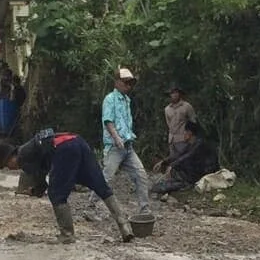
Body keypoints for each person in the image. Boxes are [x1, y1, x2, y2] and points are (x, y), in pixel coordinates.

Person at [0, 133, 134, 244]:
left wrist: (35, 191)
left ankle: (67, 235)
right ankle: (125, 227)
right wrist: (36, 191)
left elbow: (42, 182)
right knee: (100, 185)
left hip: (63, 149)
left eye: (7, 164)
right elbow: (42, 180)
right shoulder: (29, 149)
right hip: (78, 141)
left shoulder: (23, 156)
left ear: (11, 157)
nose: (10, 168)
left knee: (56, 194)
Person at [91, 67, 150, 214]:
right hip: (115, 146)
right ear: (117, 82)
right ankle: (91, 207)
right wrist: (116, 138)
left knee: (140, 174)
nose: (128, 86)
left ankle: (144, 209)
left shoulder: (126, 100)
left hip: (128, 146)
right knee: (106, 178)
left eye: (130, 83)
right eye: (126, 82)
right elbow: (108, 120)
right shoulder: (110, 99)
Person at [150, 121, 219, 195]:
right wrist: (163, 162)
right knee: (176, 167)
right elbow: (178, 154)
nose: (183, 135)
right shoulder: (191, 143)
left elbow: (188, 156)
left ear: (189, 133)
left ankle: (185, 183)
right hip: (195, 170)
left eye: (184, 132)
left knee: (181, 166)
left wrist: (172, 166)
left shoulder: (200, 144)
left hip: (203, 171)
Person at [164, 84, 197, 157]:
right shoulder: (167, 109)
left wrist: (189, 133)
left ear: (180, 94)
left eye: (176, 92)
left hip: (184, 139)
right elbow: (168, 123)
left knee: (184, 160)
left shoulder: (186, 106)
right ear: (170, 95)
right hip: (172, 139)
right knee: (173, 161)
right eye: (172, 93)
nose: (174, 95)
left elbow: (193, 121)